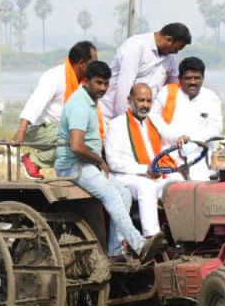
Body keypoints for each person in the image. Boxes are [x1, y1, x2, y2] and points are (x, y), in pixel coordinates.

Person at [55, 61, 163, 262]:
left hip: (86, 165)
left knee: (123, 193)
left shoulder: (89, 100)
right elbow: (77, 147)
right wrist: (99, 160)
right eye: (98, 83)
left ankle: (114, 251)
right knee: (112, 195)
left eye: (106, 84)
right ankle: (139, 244)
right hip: (73, 166)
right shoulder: (79, 105)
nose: (103, 88)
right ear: (87, 81)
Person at [104, 83, 185, 239]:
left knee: (178, 181)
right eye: (141, 100)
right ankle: (152, 237)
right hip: (127, 177)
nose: (145, 105)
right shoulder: (116, 125)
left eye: (148, 101)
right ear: (129, 100)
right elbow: (113, 162)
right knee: (146, 186)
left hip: (153, 174)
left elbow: (170, 133)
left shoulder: (154, 120)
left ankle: (180, 234)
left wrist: (181, 137)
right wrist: (144, 170)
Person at [10, 41, 98, 179]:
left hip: (60, 129)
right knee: (76, 140)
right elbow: (35, 103)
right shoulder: (55, 77)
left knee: (90, 139)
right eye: (93, 63)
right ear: (82, 63)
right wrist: (21, 130)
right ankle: (33, 160)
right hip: (39, 129)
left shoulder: (84, 83)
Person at [99, 23, 191, 123]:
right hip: (112, 116)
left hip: (142, 119)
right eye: (176, 49)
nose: (176, 52)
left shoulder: (170, 57)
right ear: (169, 39)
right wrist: (124, 123)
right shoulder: (135, 46)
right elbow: (124, 89)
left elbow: (175, 86)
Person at [153, 56, 222, 180]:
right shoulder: (166, 93)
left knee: (203, 185)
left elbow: (216, 128)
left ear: (203, 78)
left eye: (197, 78)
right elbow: (154, 121)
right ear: (179, 79)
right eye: (188, 78)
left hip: (201, 155)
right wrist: (176, 137)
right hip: (170, 155)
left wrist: (191, 140)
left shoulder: (211, 98)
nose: (192, 82)